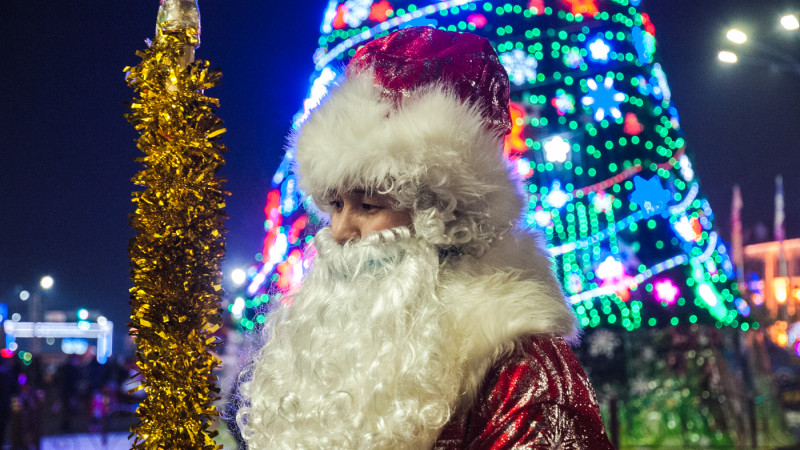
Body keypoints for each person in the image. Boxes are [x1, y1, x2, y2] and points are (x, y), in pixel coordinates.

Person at [236, 26, 614, 449]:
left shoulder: (524, 372)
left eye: (368, 206)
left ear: (441, 217)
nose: (339, 233)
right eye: (335, 205)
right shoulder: (335, 351)